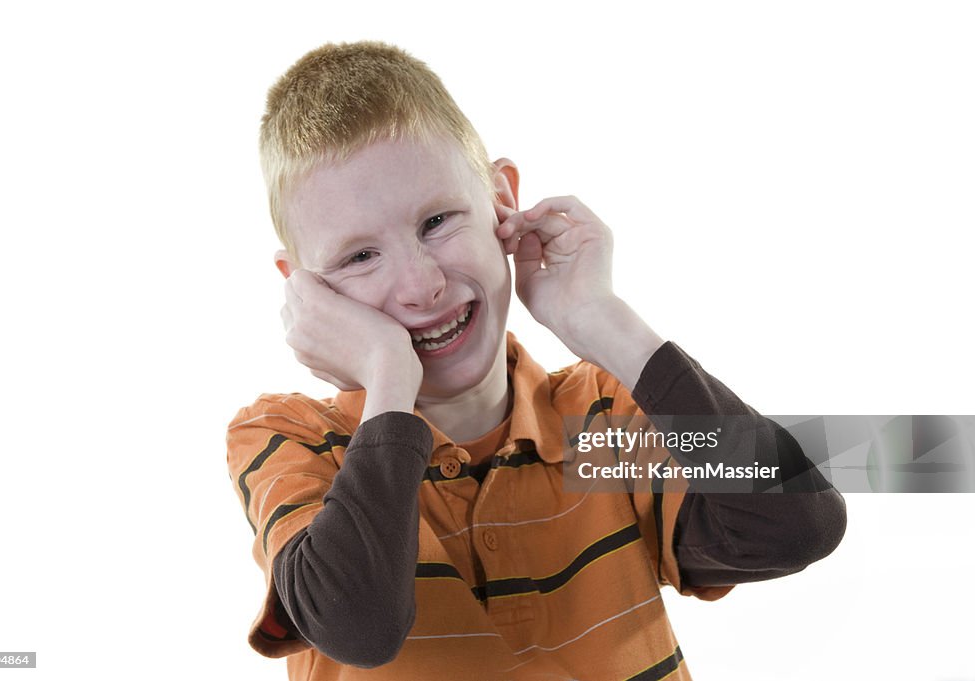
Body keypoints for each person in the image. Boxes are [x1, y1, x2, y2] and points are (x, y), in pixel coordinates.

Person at [227, 41, 847, 680]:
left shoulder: (603, 419)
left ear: (502, 199)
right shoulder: (288, 438)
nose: (420, 286)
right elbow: (359, 624)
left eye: (437, 220)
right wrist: (388, 376)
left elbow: (795, 523)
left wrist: (603, 323)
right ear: (305, 290)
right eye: (359, 257)